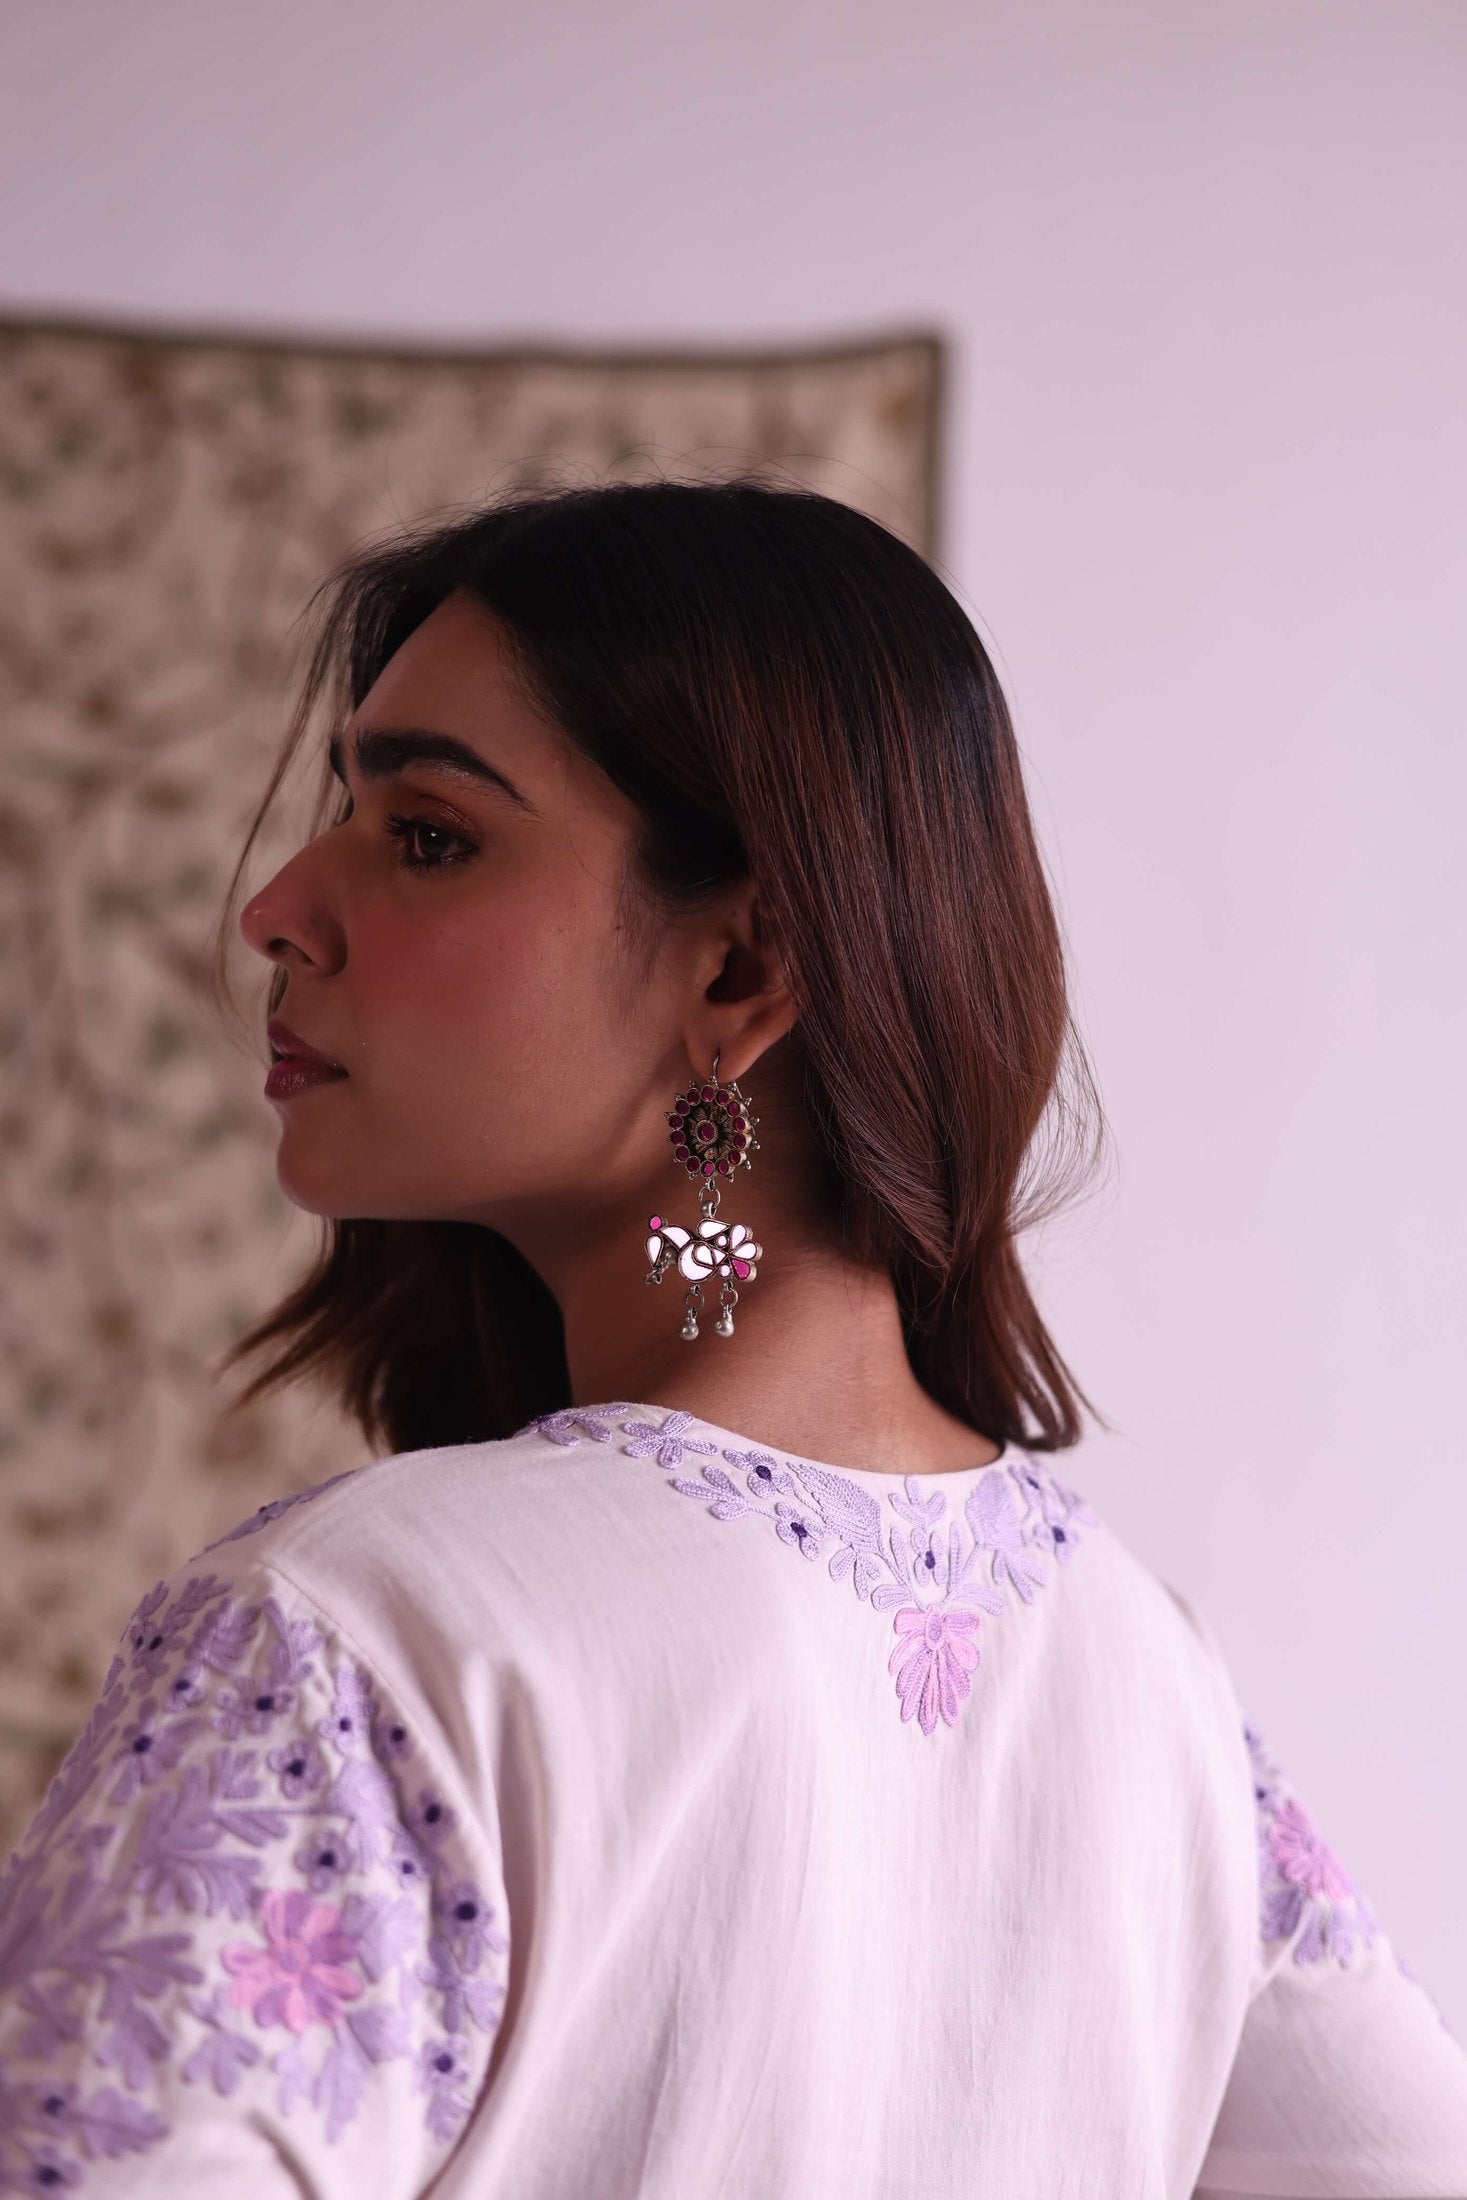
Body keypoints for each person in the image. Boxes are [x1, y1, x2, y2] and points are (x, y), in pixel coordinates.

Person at [1, 480, 1463, 2197]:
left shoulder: (354, 1640)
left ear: (739, 973)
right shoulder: (1153, 1689)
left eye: (428, 836)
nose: (278, 908)